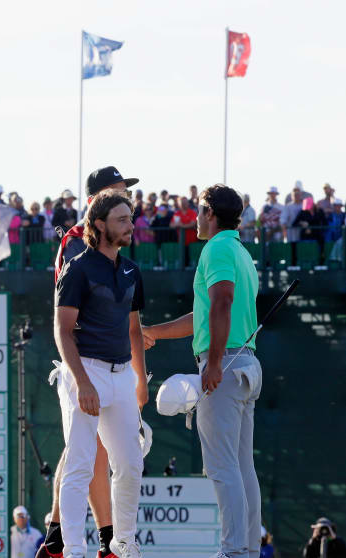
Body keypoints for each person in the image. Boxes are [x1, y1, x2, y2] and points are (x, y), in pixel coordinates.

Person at [143, 184, 261, 558]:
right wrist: (154, 333)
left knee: (223, 468)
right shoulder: (239, 250)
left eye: (198, 209)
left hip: (224, 364)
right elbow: (206, 315)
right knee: (242, 469)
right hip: (244, 363)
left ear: (210, 212)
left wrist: (211, 363)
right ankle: (247, 549)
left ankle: (234, 551)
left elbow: (222, 302)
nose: (195, 216)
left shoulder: (218, 248)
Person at [40, 167, 142, 558]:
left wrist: (137, 372)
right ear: (98, 204)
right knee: (84, 457)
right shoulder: (76, 249)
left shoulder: (129, 265)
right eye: (119, 193)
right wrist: (80, 377)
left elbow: (130, 321)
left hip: (116, 367)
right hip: (84, 363)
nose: (128, 200)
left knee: (120, 461)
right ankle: (80, 541)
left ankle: (100, 537)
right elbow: (66, 322)